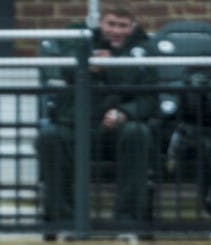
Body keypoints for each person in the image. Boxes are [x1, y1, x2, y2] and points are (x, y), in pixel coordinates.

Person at [36, 4, 158, 225]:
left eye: (123, 25)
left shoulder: (144, 50)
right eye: (111, 24)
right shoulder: (81, 40)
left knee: (138, 133)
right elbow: (63, 68)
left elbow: (149, 99)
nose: (116, 31)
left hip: (117, 128)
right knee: (49, 136)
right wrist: (87, 64)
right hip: (77, 124)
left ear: (132, 27)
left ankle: (128, 220)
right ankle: (62, 220)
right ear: (101, 23)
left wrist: (124, 112)